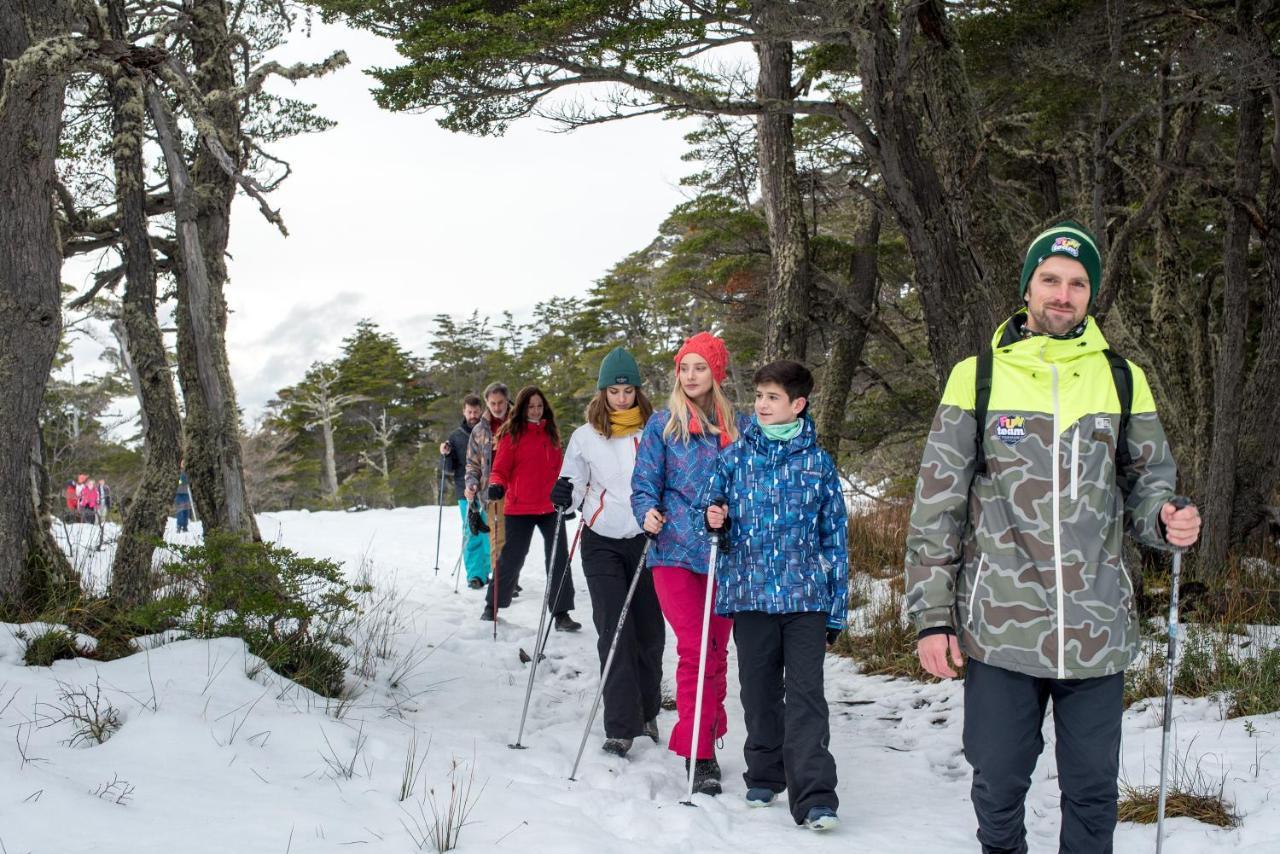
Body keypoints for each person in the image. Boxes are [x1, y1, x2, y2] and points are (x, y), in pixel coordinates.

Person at [904, 221, 1202, 854]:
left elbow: (1149, 482)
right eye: (1051, 280)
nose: (1063, 294)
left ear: (1090, 295)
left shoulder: (1123, 379)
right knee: (999, 782)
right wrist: (933, 618)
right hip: (1001, 627)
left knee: (1093, 789)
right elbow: (937, 506)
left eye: (1077, 283)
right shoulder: (976, 377)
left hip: (1096, 628)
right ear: (1028, 287)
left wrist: (1165, 518)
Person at [704, 360, 847, 830]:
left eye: (771, 398)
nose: (761, 405)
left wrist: (836, 609)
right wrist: (713, 519)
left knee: (807, 697)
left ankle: (816, 798)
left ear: (797, 405)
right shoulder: (734, 457)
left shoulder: (818, 463)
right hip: (750, 594)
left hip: (805, 598)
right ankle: (765, 772)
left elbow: (835, 538)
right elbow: (704, 513)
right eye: (759, 396)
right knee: (759, 692)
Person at [631, 331, 747, 796]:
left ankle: (709, 734)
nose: (691, 375)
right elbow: (644, 483)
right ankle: (698, 754)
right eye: (685, 367)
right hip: (673, 552)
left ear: (715, 372)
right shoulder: (663, 425)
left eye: (700, 367)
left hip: (725, 555)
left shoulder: (737, 428)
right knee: (695, 649)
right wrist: (647, 511)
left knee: (716, 653)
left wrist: (731, 513)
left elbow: (748, 488)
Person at [552, 346, 663, 757]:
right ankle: (620, 726)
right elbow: (574, 487)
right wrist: (563, 496)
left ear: (637, 391)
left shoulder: (654, 430)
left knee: (649, 633)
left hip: (647, 539)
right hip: (600, 541)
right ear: (602, 393)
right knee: (614, 630)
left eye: (628, 389)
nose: (621, 397)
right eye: (614, 390)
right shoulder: (585, 437)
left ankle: (648, 710)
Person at [482, 386, 580, 631]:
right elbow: (500, 469)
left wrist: (567, 500)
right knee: (512, 558)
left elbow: (561, 471)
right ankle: (491, 606)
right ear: (522, 408)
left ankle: (561, 614)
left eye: (539, 406)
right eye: (530, 406)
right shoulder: (512, 434)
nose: (535, 410)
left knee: (558, 559)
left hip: (550, 507)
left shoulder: (551, 433)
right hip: (520, 507)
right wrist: (496, 485)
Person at [465, 382, 511, 586]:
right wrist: (472, 483)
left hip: (519, 489)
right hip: (492, 490)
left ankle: (510, 575)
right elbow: (472, 463)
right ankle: (500, 579)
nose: (497, 407)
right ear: (486, 403)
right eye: (492, 403)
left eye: (500, 402)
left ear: (507, 401)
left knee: (514, 537)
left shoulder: (519, 424)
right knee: (497, 536)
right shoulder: (479, 431)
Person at [441, 394, 489, 589]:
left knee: (492, 532)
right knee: (472, 532)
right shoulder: (456, 436)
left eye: (476, 412)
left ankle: (498, 574)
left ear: (481, 411)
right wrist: (445, 454)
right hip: (465, 492)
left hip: (488, 490)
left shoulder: (489, 431)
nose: (473, 415)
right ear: (464, 411)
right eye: (469, 412)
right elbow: (447, 468)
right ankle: (476, 575)